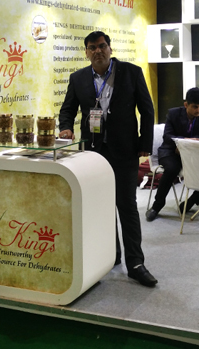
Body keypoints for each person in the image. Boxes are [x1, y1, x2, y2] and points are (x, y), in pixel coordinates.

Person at [58, 31, 157, 288]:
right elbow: (67, 109)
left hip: (124, 150)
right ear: (86, 52)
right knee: (100, 205)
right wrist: (65, 127)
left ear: (110, 49)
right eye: (92, 47)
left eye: (102, 46)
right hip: (92, 153)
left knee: (126, 205)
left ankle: (136, 264)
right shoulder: (78, 78)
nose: (98, 51)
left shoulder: (131, 73)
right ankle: (111, 255)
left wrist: (145, 144)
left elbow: (147, 111)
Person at [145, 87, 199, 222]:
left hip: (192, 153)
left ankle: (191, 202)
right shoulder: (173, 114)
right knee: (172, 169)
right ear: (186, 104)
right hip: (170, 152)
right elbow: (168, 136)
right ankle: (157, 206)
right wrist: (183, 142)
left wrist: (187, 145)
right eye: (195, 107)